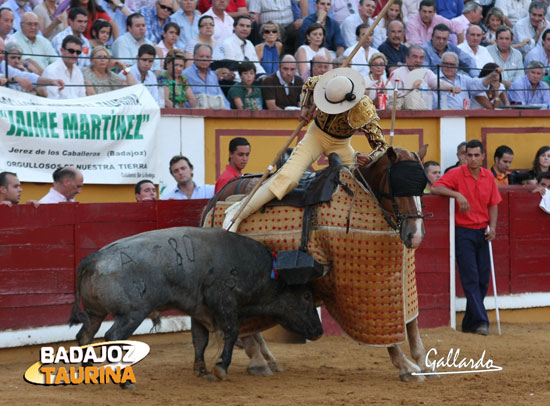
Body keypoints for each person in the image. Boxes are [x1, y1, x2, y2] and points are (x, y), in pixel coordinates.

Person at [223, 67, 388, 232]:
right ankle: (237, 212)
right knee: (288, 177)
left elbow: (381, 145)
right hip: (315, 137)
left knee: (363, 182)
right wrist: (304, 107)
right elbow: (309, 84)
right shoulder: (326, 83)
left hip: (341, 145)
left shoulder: (363, 106)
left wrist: (371, 158)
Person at [431, 139, 502, 336]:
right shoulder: (456, 173)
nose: (472, 159)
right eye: (468, 155)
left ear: (482, 156)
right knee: (471, 278)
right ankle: (481, 321)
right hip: (463, 232)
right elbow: (436, 188)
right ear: (464, 156)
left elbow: (493, 204)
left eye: (475, 155)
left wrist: (493, 227)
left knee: (482, 281)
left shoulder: (488, 177)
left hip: (483, 231)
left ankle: (470, 323)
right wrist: (457, 195)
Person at [386, 45, 459, 110]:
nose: (418, 61)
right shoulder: (397, 73)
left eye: (421, 58)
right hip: (404, 113)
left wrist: (451, 87)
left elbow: (437, 82)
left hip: (426, 112)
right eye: (415, 57)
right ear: (407, 58)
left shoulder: (427, 72)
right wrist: (411, 89)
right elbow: (394, 98)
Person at [436, 52, 500, 110]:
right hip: (445, 117)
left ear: (457, 66)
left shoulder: (463, 78)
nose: (448, 67)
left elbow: (477, 84)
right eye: (446, 64)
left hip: (465, 116)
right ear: (441, 64)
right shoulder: (435, 79)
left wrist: (491, 76)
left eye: (452, 65)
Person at [182, 43, 230, 109]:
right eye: (201, 56)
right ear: (194, 57)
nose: (205, 59)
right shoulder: (185, 75)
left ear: (211, 58)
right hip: (194, 115)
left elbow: (223, 100)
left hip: (214, 115)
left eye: (207, 57)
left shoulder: (213, 76)